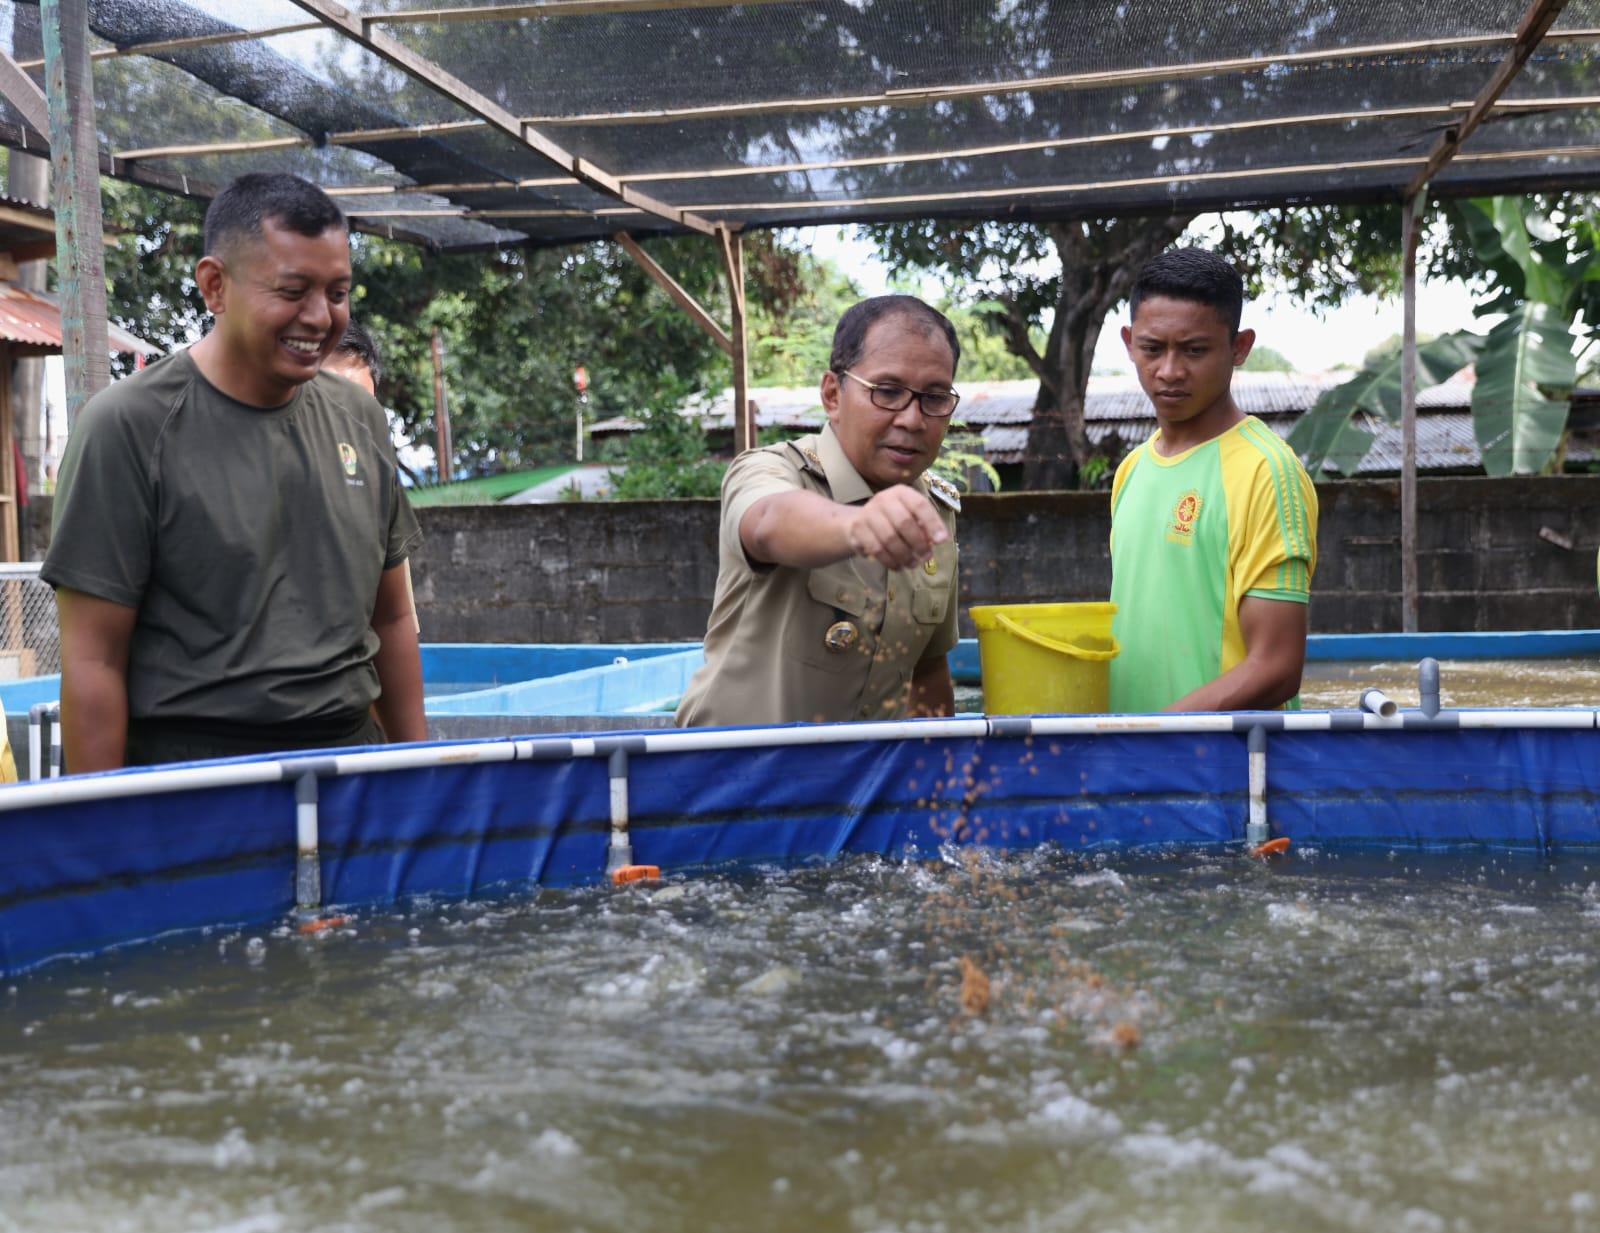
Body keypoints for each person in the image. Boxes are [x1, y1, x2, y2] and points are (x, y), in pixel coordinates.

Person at [42, 172, 426, 771]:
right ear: (215, 286)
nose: (321, 317)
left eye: (338, 292)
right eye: (294, 290)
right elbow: (94, 660)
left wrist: (418, 774)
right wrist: (104, 840)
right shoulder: (127, 427)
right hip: (191, 780)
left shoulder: (359, 417)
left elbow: (394, 616)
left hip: (352, 771)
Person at [676, 295, 964, 727]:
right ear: (833, 394)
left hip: (861, 786)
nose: (912, 419)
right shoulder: (772, 469)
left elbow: (925, 669)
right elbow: (769, 523)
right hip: (730, 779)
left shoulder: (935, 512)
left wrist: (941, 781)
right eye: (887, 392)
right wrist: (860, 525)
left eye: (935, 397)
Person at [1108, 248, 1318, 713]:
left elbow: (1277, 665)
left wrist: (1155, 732)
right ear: (1128, 342)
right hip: (1134, 768)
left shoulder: (1267, 472)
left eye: (1194, 350)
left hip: (1231, 772)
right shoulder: (1131, 470)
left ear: (1239, 347)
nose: (1169, 371)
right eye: (1152, 348)